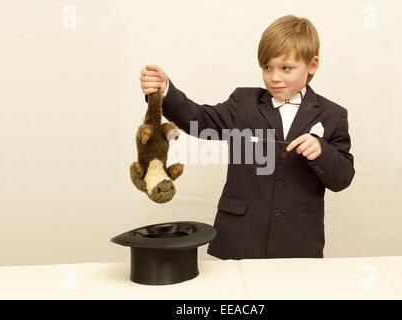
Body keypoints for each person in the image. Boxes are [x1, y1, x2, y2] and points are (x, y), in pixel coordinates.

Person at [139, 15, 355, 259]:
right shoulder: (243, 103)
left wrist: (322, 151)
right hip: (238, 238)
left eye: (286, 68)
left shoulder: (333, 115)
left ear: (312, 65)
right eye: (267, 67)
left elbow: (343, 178)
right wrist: (166, 89)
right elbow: (199, 119)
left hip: (299, 241)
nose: (274, 77)